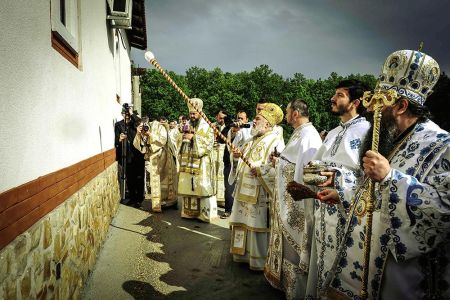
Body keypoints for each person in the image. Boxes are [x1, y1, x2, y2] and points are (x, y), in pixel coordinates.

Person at [319, 50, 449, 299]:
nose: (372, 109)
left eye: (381, 102)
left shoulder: (442, 145)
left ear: (400, 106)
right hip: (363, 263)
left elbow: (443, 209)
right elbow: (374, 195)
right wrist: (343, 195)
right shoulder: (390, 139)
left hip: (402, 279)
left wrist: (392, 178)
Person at [288, 79, 371, 298]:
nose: (333, 99)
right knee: (321, 262)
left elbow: (369, 178)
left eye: (340, 95)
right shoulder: (334, 132)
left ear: (355, 102)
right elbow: (317, 164)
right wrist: (312, 171)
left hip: (346, 214)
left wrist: (338, 179)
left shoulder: (368, 131)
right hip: (323, 210)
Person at [264, 99, 322, 299]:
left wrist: (280, 164)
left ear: (295, 114)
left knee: (296, 249)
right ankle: (282, 282)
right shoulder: (299, 133)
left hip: (297, 204)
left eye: (288, 111)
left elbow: (308, 172)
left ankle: (295, 291)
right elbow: (290, 163)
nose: (286, 115)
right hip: (286, 200)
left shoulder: (310, 136)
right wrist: (279, 162)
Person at [230, 103, 285, 271]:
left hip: (259, 193)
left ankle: (258, 261)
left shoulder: (276, 141)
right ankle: (242, 255)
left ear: (267, 124)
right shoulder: (250, 139)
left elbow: (279, 167)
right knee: (242, 222)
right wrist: (236, 156)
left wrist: (261, 171)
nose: (254, 122)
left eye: (257, 119)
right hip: (243, 191)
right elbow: (240, 163)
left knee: (256, 225)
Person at [177, 98, 218, 222]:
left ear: (200, 111)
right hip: (188, 160)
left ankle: (204, 215)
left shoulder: (207, 125)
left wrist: (194, 138)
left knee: (202, 186)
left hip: (202, 162)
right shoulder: (188, 123)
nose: (192, 116)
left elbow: (209, 142)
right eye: (190, 113)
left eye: (194, 113)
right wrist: (183, 136)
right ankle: (189, 213)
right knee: (188, 183)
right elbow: (179, 138)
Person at [134, 118, 178, 212]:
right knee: (156, 181)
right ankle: (158, 202)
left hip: (164, 156)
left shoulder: (159, 126)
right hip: (153, 156)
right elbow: (138, 145)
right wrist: (139, 134)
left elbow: (162, 140)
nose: (145, 127)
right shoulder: (143, 129)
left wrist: (150, 134)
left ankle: (172, 201)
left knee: (166, 179)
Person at [114, 103, 145, 208]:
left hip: (138, 154)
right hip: (126, 155)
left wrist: (131, 113)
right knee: (130, 178)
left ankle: (139, 199)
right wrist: (120, 139)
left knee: (139, 177)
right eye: (124, 113)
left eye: (127, 113)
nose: (126, 115)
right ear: (122, 114)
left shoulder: (134, 123)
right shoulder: (119, 125)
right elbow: (116, 141)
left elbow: (138, 121)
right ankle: (132, 198)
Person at [213, 110, 228, 207]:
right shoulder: (212, 125)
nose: (221, 120)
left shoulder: (228, 127)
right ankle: (213, 197)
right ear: (216, 117)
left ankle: (222, 199)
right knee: (213, 173)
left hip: (223, 152)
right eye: (220, 117)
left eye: (223, 118)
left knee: (222, 175)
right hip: (214, 152)